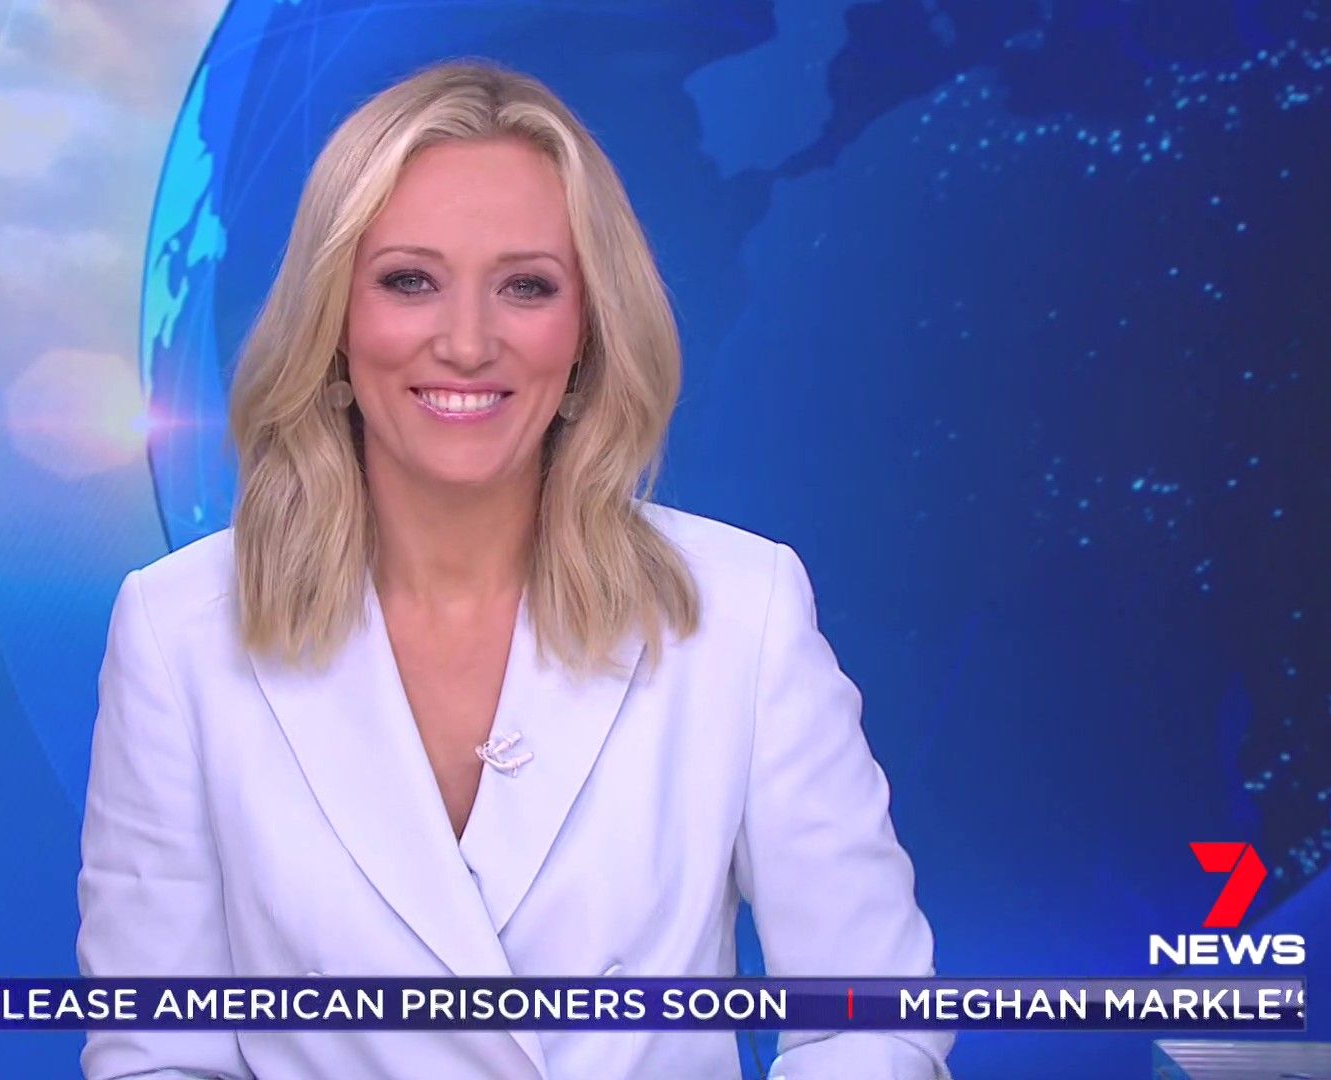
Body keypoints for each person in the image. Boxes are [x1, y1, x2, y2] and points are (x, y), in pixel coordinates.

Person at [76, 57, 951, 1080]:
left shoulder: (740, 610)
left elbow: (873, 1018)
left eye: (526, 287)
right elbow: (158, 1052)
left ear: (586, 331)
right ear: (335, 321)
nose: (466, 343)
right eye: (409, 281)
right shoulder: (178, 629)